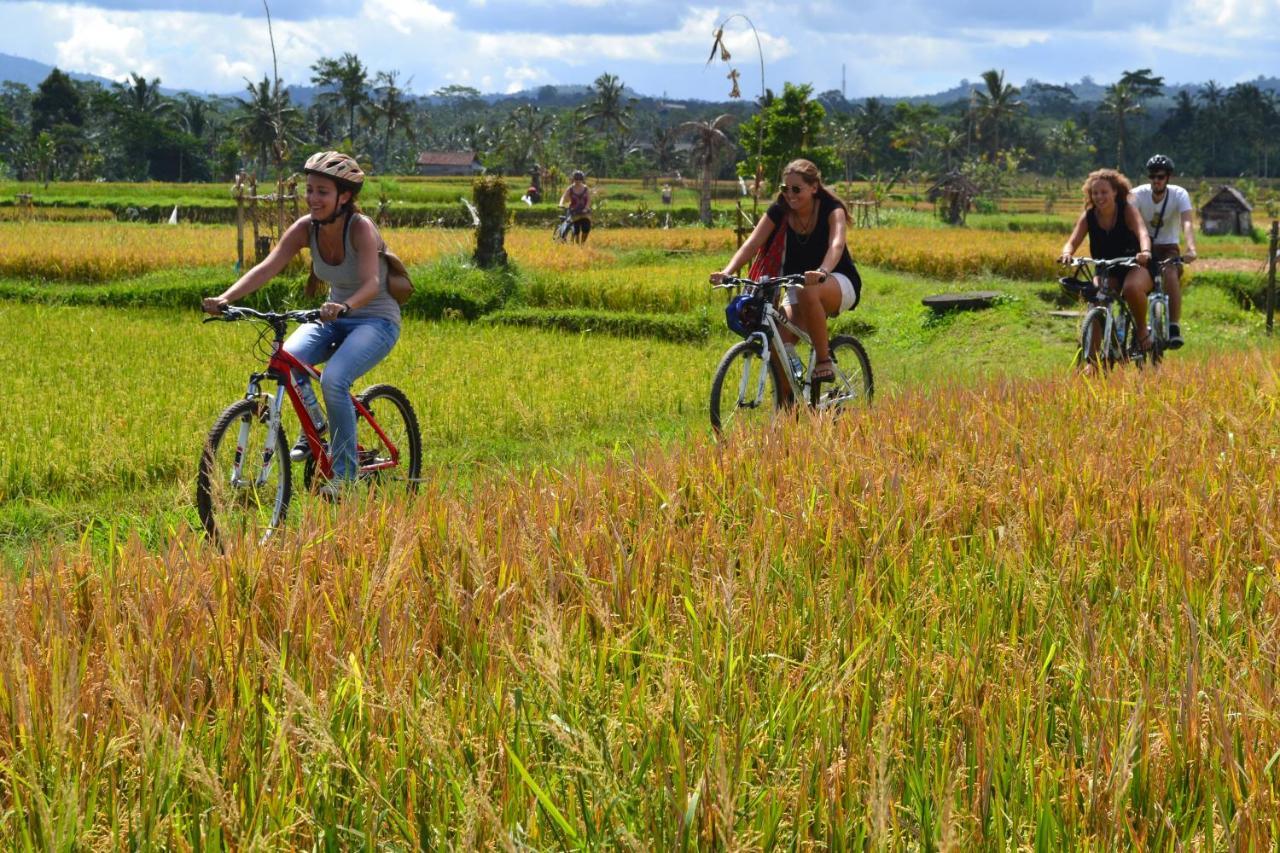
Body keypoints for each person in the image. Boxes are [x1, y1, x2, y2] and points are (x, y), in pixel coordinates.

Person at [202, 150, 401, 496]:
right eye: (309, 190)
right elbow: (268, 266)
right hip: (331, 316)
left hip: (375, 319)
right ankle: (316, 430)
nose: (312, 198)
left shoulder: (361, 228)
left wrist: (344, 306)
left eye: (322, 192)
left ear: (345, 196)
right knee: (288, 361)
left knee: (336, 379)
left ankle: (345, 477)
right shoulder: (305, 228)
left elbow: (371, 283)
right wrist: (226, 299)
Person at [710, 158, 861, 386]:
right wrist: (727, 271)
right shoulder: (780, 210)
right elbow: (752, 244)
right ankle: (788, 409)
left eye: (797, 189)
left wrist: (822, 271)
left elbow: (836, 245)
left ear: (814, 187)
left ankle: (823, 360)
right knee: (777, 342)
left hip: (836, 280)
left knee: (809, 293)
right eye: (785, 188)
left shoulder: (832, 209)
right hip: (796, 284)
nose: (790, 194)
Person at [1059, 168, 1154, 356]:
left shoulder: (1127, 210)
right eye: (1095, 193)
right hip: (1107, 268)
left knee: (1131, 289)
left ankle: (1142, 329)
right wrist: (1067, 253)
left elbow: (1143, 232)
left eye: (1104, 192)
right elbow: (1072, 241)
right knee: (1097, 300)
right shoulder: (1089, 216)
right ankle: (1092, 359)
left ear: (1115, 192)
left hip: (1134, 265)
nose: (1099, 197)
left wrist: (1145, 252)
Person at [1130, 154, 1197, 348]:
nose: (1156, 181)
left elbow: (1187, 221)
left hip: (1168, 247)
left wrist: (1190, 247)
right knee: (1132, 280)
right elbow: (1129, 220)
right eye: (1152, 176)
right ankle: (1133, 324)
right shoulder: (1137, 194)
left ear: (1168, 177)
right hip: (1143, 247)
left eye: (1160, 176)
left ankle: (1174, 326)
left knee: (1170, 274)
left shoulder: (1179, 194)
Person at [559, 170, 592, 244]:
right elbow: (563, 197)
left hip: (584, 212)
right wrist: (561, 204)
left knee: (586, 228)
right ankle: (577, 244)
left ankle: (582, 243)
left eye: (579, 179)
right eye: (576, 179)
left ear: (582, 179)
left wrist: (586, 208)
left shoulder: (586, 189)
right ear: (573, 179)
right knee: (576, 230)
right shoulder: (570, 189)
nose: (577, 181)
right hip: (574, 211)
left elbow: (589, 200)